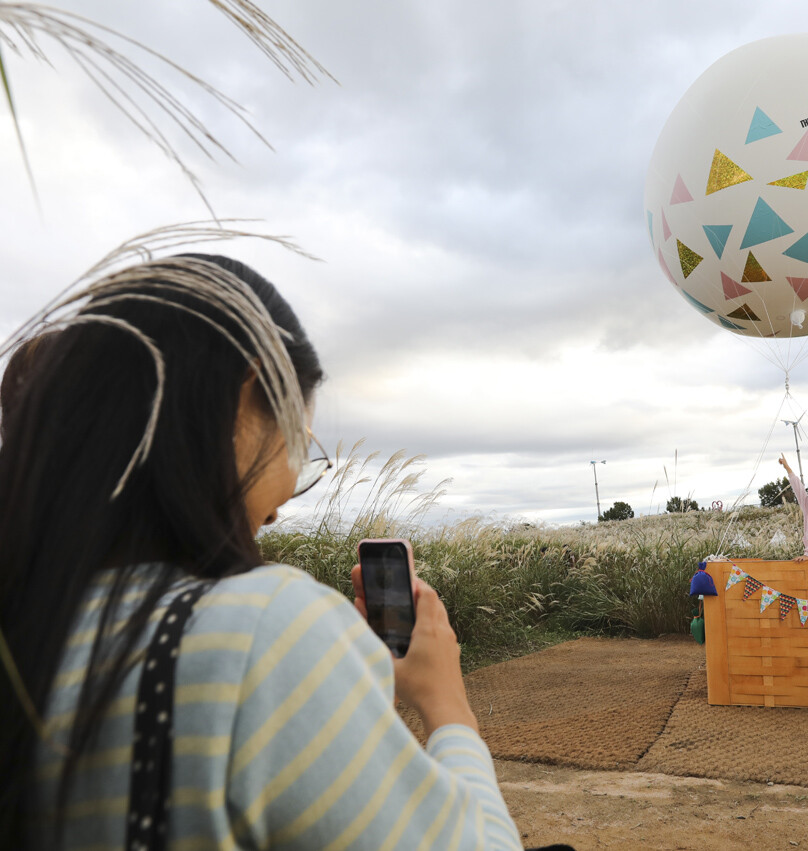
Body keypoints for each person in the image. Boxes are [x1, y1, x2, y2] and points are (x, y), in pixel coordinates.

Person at [0, 254, 523, 849]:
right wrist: (447, 704)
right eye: (300, 445)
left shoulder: (28, 625)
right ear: (248, 395)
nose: (277, 509)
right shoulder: (263, 631)